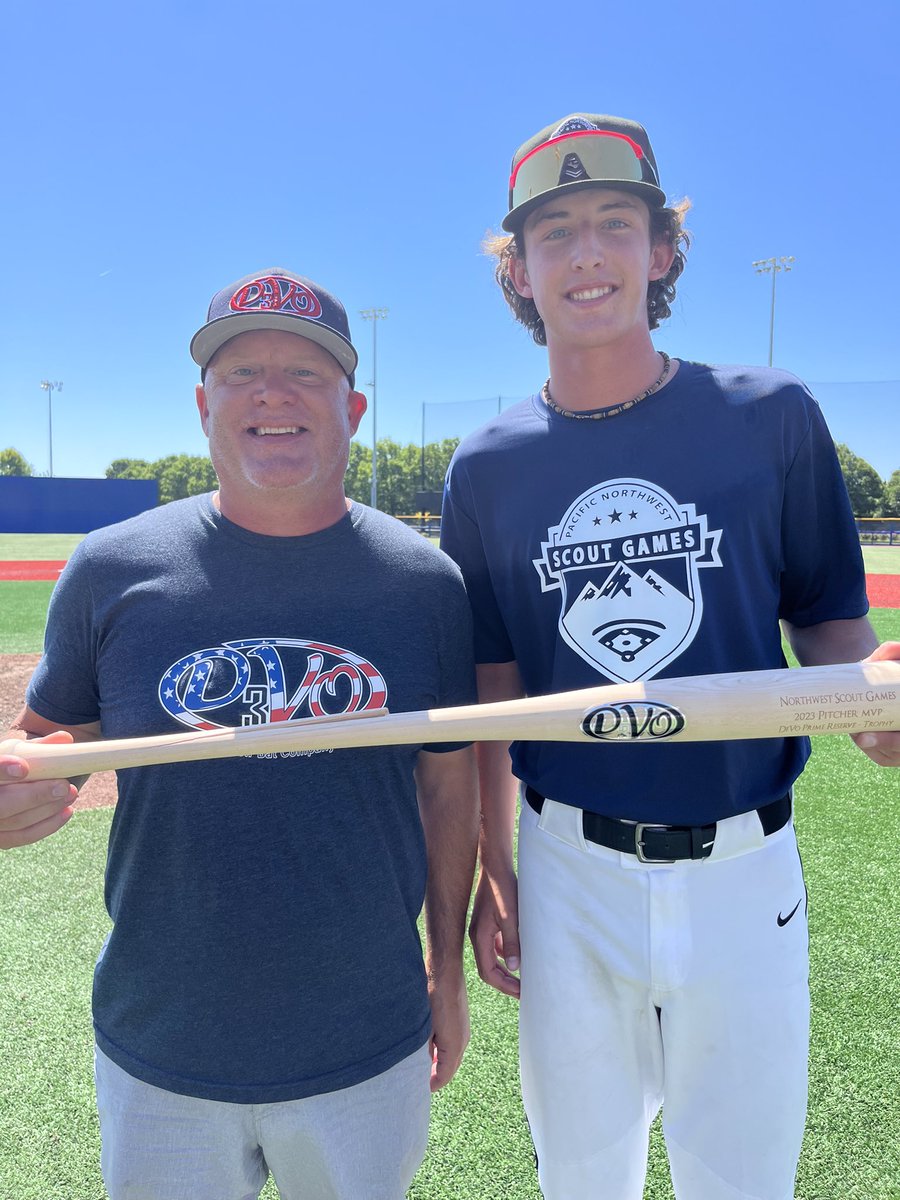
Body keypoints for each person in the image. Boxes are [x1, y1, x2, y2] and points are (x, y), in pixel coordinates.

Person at [439, 114, 900, 1199]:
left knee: (743, 1181)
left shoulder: (769, 415)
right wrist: (496, 869)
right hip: (567, 874)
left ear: (664, 250)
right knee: (581, 1177)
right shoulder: (487, 466)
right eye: (553, 233)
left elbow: (829, 617)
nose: (587, 254)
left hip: (747, 867)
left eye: (614, 223)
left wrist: (871, 691)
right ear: (518, 270)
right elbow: (494, 694)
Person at [0, 268, 479, 1200]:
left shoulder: (426, 585)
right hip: (161, 1038)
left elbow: (448, 788)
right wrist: (17, 792)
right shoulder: (111, 570)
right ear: (202, 404)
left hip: (365, 1038)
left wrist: (446, 973)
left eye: (306, 372)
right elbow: (48, 754)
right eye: (241, 371)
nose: (272, 393)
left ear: (354, 405)